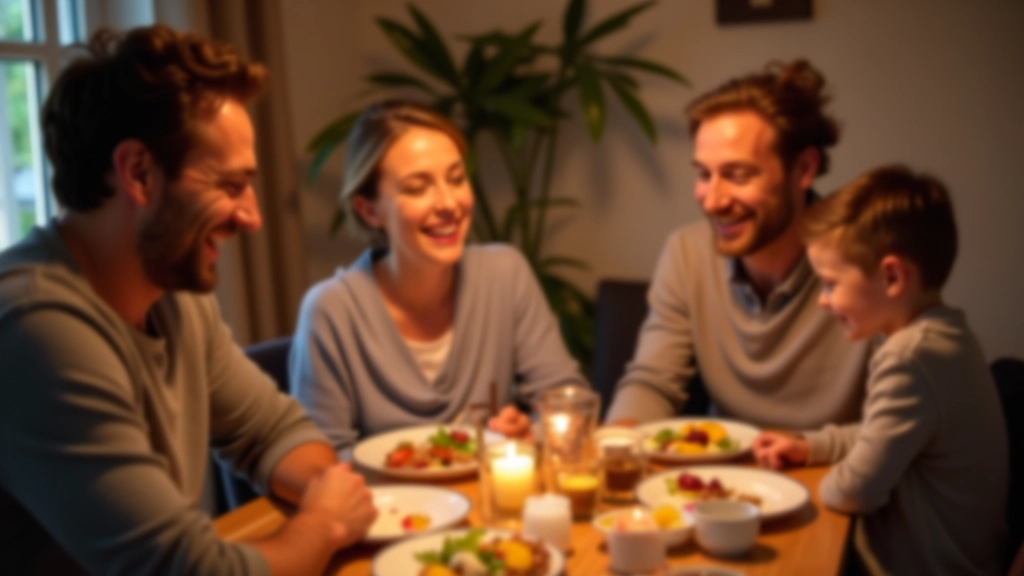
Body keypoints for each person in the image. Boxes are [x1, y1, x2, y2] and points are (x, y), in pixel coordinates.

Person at [0, 25, 377, 575]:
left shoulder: (172, 293)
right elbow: (186, 571)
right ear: (139, 173)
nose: (251, 217)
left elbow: (269, 431)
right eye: (229, 186)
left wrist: (326, 491)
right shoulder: (36, 327)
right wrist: (323, 524)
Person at [752, 166, 1009, 575]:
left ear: (891, 276)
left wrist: (803, 488)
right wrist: (811, 447)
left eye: (831, 283)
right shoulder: (946, 337)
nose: (823, 300)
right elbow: (881, 434)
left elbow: (855, 492)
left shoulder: (909, 357)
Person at [290, 100, 588, 452]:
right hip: (389, 507)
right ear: (369, 210)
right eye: (418, 187)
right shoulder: (331, 310)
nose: (448, 203)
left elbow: (570, 406)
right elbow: (321, 463)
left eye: (456, 178)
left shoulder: (506, 274)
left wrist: (532, 435)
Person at [604, 59, 871, 429]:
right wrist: (615, 447)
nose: (712, 201)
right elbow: (654, 382)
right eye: (703, 174)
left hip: (841, 482)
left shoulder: (870, 259)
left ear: (805, 169)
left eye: (738, 175)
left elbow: (905, 425)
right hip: (727, 480)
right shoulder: (687, 253)